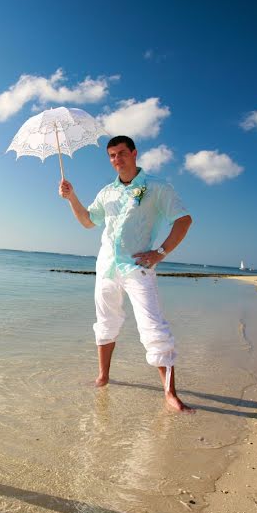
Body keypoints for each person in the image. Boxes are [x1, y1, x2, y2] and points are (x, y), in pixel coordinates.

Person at [59, 135, 194, 412]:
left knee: (154, 328)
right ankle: (103, 376)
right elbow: (87, 221)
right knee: (105, 322)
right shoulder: (106, 192)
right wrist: (71, 197)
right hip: (107, 266)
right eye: (111, 155)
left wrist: (161, 252)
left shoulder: (156, 187)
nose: (116, 159)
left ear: (134, 153)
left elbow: (183, 220)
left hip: (138, 267)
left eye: (121, 153)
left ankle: (170, 394)